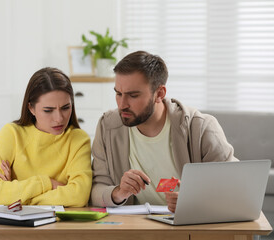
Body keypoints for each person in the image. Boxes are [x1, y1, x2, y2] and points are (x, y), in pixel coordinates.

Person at [90, 51, 238, 212]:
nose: (122, 104)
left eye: (133, 95)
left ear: (159, 93)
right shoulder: (108, 126)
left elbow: (234, 186)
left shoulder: (200, 127)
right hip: (137, 228)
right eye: (118, 94)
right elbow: (97, 188)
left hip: (190, 227)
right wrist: (117, 192)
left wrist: (194, 201)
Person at [0, 67, 92, 207]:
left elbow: (78, 196)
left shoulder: (79, 140)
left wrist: (19, 198)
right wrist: (48, 184)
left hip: (59, 227)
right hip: (16, 227)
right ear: (31, 108)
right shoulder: (12, 134)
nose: (59, 118)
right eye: (48, 110)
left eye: (65, 107)